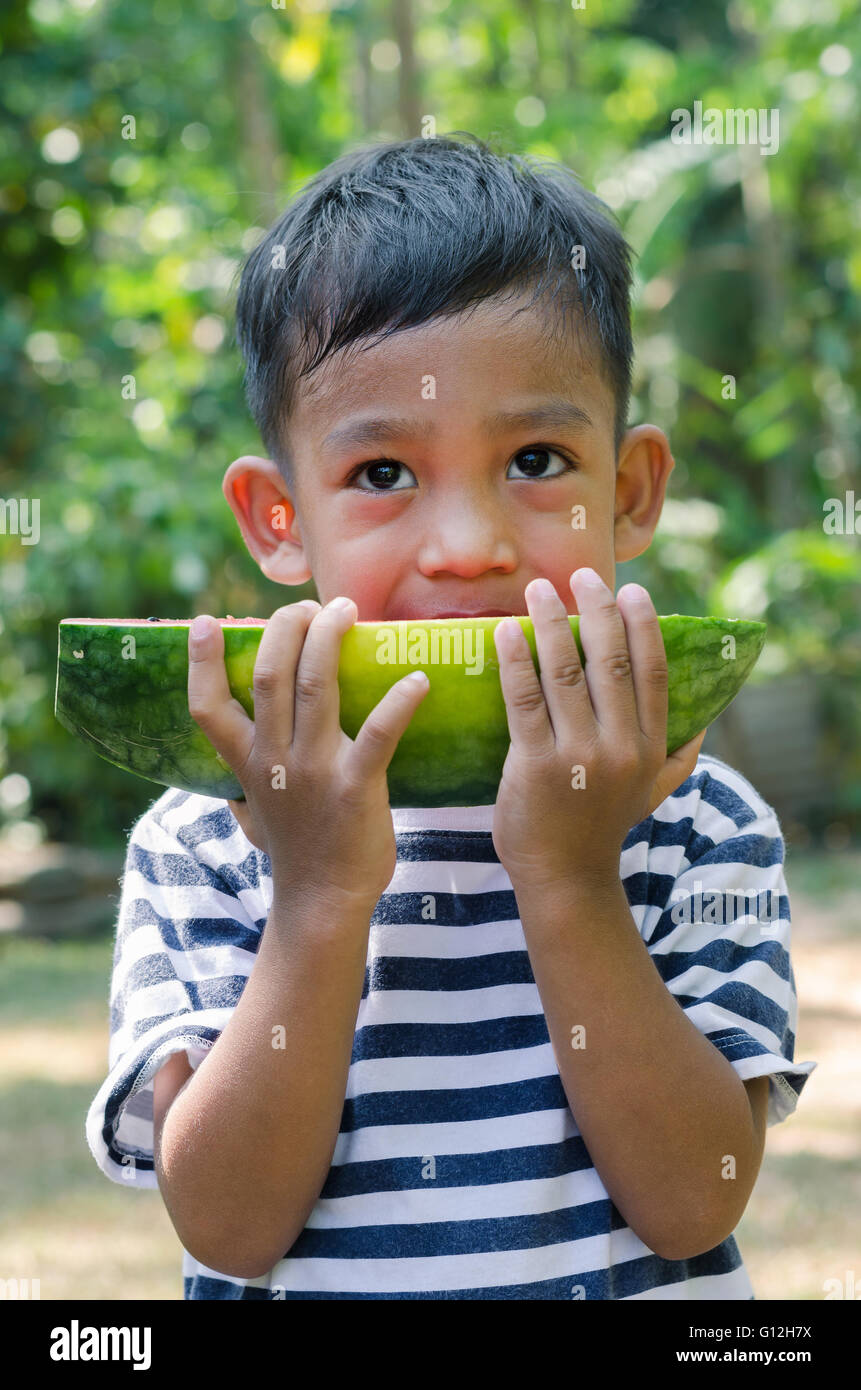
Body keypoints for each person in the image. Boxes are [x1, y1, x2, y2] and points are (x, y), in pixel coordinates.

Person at [85, 133, 816, 1299]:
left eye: (536, 457)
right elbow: (225, 1226)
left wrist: (574, 879)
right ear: (278, 519)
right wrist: (318, 893)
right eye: (381, 474)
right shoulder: (212, 835)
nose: (468, 548)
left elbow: (695, 1201)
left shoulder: (695, 815)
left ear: (628, 495)